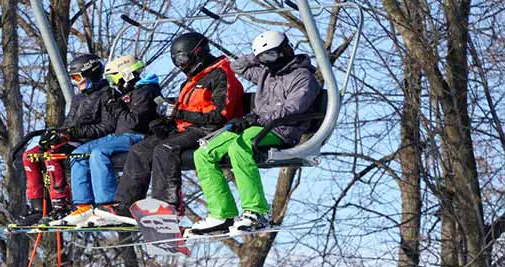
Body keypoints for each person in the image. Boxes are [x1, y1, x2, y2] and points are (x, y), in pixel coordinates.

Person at [86, 32, 244, 226]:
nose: (180, 65)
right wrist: (164, 122)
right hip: (185, 128)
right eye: (176, 61)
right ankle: (125, 206)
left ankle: (168, 206)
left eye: (183, 59)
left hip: (209, 129)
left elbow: (220, 115)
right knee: (140, 150)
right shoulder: (192, 80)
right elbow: (182, 111)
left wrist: (178, 114)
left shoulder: (221, 74)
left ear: (198, 53)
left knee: (165, 149)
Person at [190, 30, 321, 235]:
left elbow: (293, 108)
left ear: (285, 51)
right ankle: (221, 214)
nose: (266, 62)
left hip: (281, 130)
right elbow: (237, 66)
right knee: (204, 153)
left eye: (270, 55)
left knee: (239, 148)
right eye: (263, 58)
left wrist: (259, 118)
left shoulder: (303, 77)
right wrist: (258, 55)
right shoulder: (266, 73)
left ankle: (256, 211)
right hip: (254, 127)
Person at [51, 56, 161, 226]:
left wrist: (115, 105)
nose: (114, 83)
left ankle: (106, 204)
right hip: (119, 136)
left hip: (137, 136)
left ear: (126, 74)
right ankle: (84, 205)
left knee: (98, 153)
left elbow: (134, 122)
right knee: (78, 154)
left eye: (114, 78)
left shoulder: (145, 91)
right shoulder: (126, 93)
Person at [18, 54, 115, 224]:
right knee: (29, 156)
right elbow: (69, 123)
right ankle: (38, 207)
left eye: (78, 77)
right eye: (72, 79)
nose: (76, 82)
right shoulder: (78, 98)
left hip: (89, 141)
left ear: (91, 74)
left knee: (52, 155)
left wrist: (72, 132)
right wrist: (56, 134)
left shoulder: (106, 94)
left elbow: (107, 127)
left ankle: (61, 205)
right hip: (73, 138)